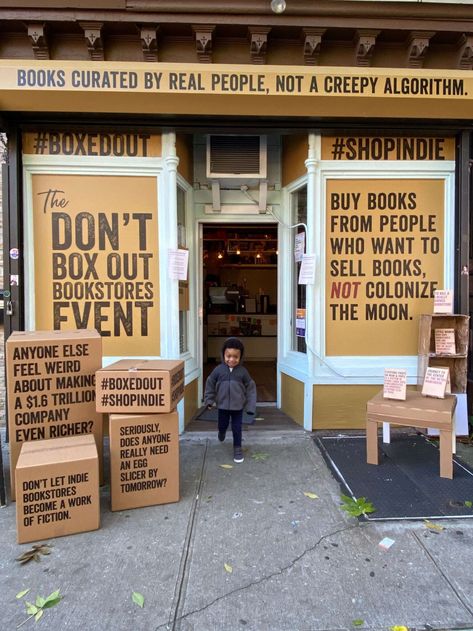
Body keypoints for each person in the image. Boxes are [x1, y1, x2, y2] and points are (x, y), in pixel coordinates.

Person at [204, 337, 257, 463]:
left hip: (238, 407)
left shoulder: (243, 372)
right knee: (222, 424)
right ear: (223, 355)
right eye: (228, 356)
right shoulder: (218, 370)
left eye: (235, 357)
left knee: (236, 428)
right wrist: (209, 400)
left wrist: (250, 407)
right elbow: (210, 383)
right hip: (222, 406)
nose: (232, 359)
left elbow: (250, 388)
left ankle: (237, 448)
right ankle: (221, 432)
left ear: (241, 357)